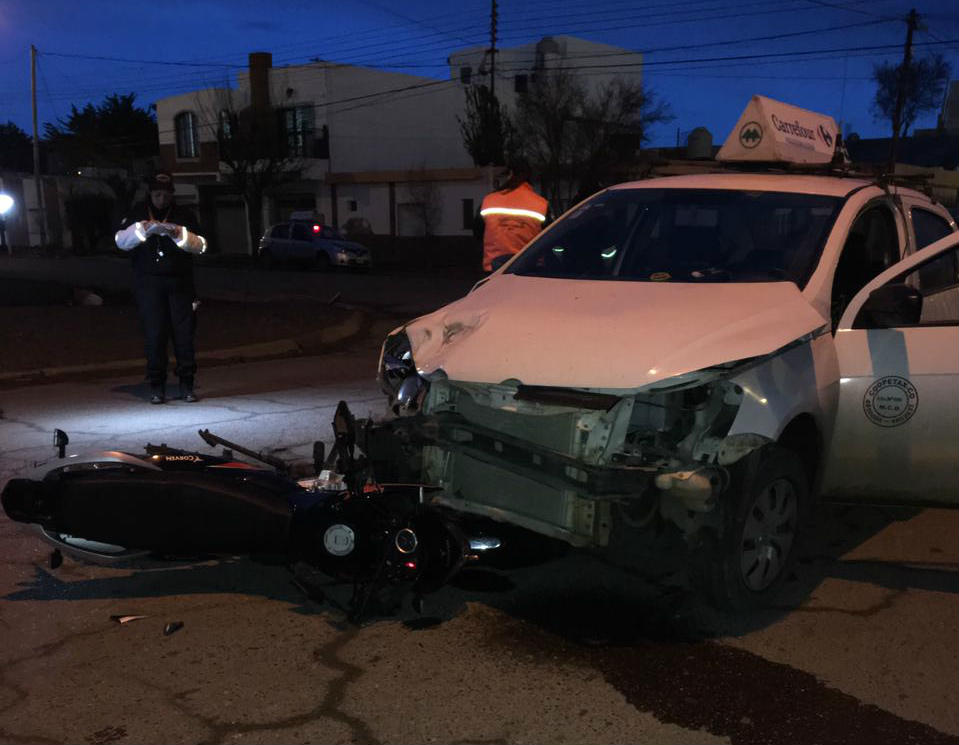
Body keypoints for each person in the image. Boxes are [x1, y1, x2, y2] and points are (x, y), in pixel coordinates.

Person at [114, 172, 207, 404]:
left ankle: (187, 383)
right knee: (155, 334)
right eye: (157, 194)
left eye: (166, 194)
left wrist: (178, 233)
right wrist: (143, 230)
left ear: (172, 194)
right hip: (149, 284)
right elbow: (120, 242)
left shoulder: (184, 215)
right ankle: (157, 385)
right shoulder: (138, 212)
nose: (161, 199)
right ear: (150, 194)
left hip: (180, 283)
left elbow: (201, 246)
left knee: (184, 335)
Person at [479, 160, 549, 272]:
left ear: (511, 174)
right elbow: (549, 236)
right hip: (529, 267)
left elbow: (478, 230)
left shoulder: (489, 200)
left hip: (494, 268)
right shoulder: (541, 203)